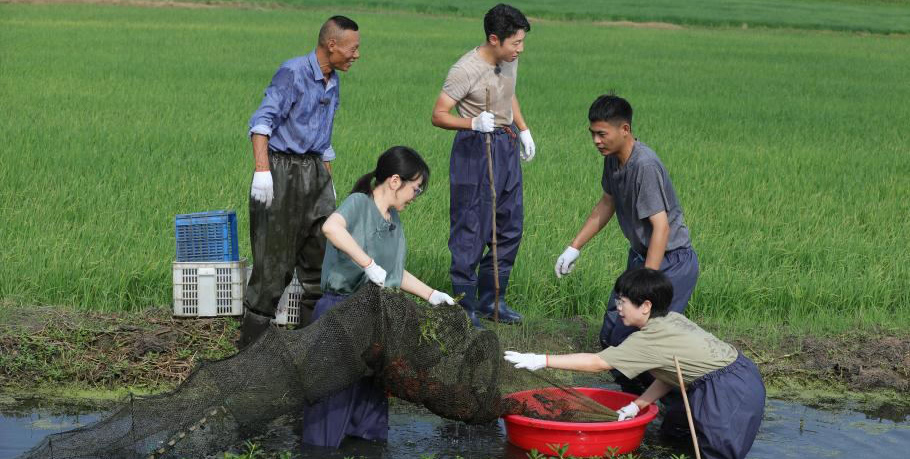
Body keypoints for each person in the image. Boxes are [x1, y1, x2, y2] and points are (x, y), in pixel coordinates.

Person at [505, 268, 765, 459]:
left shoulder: (650, 338)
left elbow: (598, 362)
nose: (618, 307)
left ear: (646, 306)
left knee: (716, 452)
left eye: (623, 302)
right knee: (675, 430)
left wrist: (540, 360)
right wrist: (637, 405)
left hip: (728, 389)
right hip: (732, 375)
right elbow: (669, 373)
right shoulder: (671, 319)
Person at [301, 146, 456, 448]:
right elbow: (331, 228)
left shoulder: (393, 220)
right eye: (416, 188)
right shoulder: (359, 204)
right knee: (332, 403)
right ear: (395, 180)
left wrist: (432, 294)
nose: (415, 196)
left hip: (374, 317)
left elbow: (393, 273)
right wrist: (367, 263)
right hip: (341, 313)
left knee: (370, 406)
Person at [239, 16, 361, 348]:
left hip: (315, 173)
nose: (356, 55)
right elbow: (262, 123)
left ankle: (306, 351)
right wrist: (263, 172)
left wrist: (327, 180)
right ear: (332, 44)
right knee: (273, 268)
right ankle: (251, 356)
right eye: (353, 48)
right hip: (282, 171)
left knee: (322, 266)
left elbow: (323, 138)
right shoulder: (293, 73)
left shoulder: (333, 80)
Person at [554, 94, 699, 351]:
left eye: (602, 134)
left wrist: (646, 283)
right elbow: (607, 202)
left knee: (643, 340)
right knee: (611, 334)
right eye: (592, 134)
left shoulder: (644, 165)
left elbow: (661, 227)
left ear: (625, 129)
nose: (596, 141)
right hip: (641, 257)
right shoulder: (612, 158)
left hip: (670, 261)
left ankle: (669, 386)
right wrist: (574, 246)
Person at [431, 3, 535, 326]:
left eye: (521, 41)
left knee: (509, 224)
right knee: (471, 227)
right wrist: (473, 123)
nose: (521, 49)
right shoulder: (465, 70)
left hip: (505, 143)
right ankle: (465, 308)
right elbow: (439, 115)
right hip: (475, 147)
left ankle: (493, 301)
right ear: (494, 39)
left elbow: (509, 93)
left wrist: (523, 128)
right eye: (515, 42)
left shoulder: (509, 60)